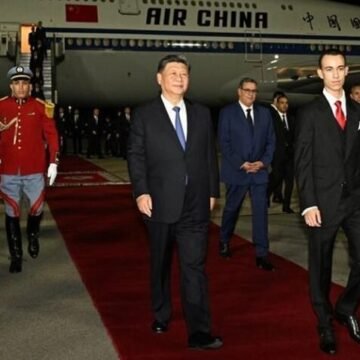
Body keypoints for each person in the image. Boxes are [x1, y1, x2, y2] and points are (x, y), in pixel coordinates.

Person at [127, 54, 222, 350]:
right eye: (173, 73)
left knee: (194, 266)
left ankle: (199, 331)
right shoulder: (144, 114)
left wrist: (212, 192)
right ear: (159, 78)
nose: (179, 78)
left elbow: (208, 155)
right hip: (159, 203)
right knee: (161, 263)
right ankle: (161, 312)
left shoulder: (202, 113)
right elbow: (136, 155)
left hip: (195, 204)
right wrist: (141, 191)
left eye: (184, 73)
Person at [294, 49, 360, 355]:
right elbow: (303, 162)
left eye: (340, 68)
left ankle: (345, 308)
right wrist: (308, 204)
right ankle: (324, 321)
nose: (335, 74)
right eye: (328, 69)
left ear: (347, 72)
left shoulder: (358, 112)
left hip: (355, 202)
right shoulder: (310, 113)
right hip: (322, 203)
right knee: (320, 267)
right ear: (320, 73)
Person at [0, 65, 59, 273]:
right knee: (12, 212)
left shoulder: (41, 107)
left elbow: (51, 135)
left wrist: (53, 162)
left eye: (24, 83)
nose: (21, 87)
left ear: (30, 87)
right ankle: (16, 255)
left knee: (36, 209)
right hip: (8, 170)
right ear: (11, 86)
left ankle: (33, 235)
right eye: (17, 83)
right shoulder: (1, 106)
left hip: (34, 170)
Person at [218, 77, 276, 271]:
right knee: (232, 209)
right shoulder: (227, 113)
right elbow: (224, 143)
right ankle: (225, 239)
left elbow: (271, 142)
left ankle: (262, 254)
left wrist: (263, 162)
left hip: (259, 173)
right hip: (237, 172)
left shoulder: (265, 114)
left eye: (254, 90)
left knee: (261, 214)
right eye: (247, 90)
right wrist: (242, 164)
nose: (251, 93)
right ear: (239, 91)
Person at [267, 94, 295, 213]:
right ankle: (265, 195)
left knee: (290, 181)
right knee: (276, 177)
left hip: (290, 155)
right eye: (282, 102)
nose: (285, 105)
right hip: (277, 155)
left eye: (286, 103)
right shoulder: (272, 118)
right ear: (277, 104)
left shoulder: (292, 118)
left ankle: (286, 206)